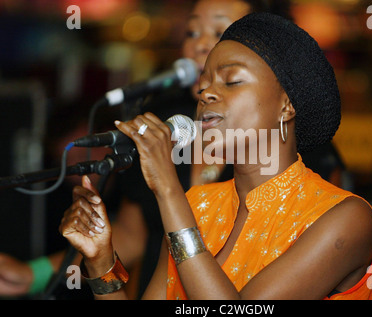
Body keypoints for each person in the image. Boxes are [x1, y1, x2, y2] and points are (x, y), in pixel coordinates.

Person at [59, 12, 372, 300]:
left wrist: (169, 190)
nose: (206, 94)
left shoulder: (344, 218)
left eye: (232, 81)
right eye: (203, 87)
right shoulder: (197, 205)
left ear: (287, 105)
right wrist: (101, 261)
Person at [0, 0, 294, 299]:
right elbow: (132, 235)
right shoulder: (165, 122)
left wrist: (167, 186)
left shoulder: (301, 171)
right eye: (192, 33)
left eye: (221, 31)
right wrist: (36, 274)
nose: (201, 46)